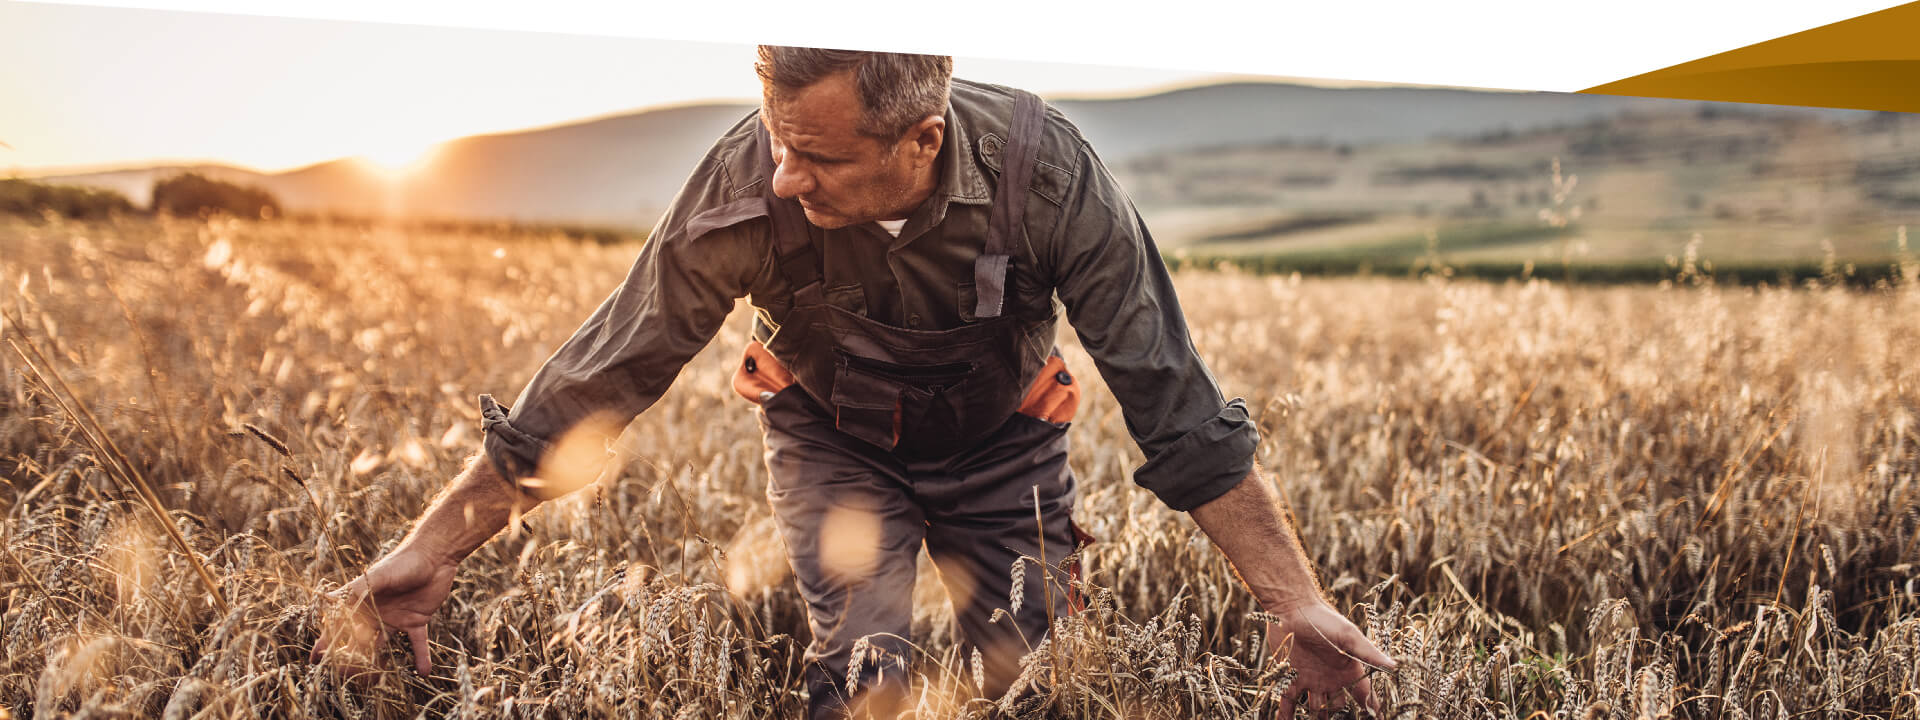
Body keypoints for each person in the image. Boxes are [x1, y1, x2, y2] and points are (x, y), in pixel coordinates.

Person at [313, 46, 1396, 718]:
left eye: (817, 157)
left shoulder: (1049, 178)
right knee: (862, 672)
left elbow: (1174, 400)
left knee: (1029, 682)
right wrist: (429, 546)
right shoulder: (746, 181)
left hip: (1007, 445)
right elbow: (608, 372)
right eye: (778, 145)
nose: (785, 177)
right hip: (831, 442)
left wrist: (1292, 598)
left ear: (922, 139)